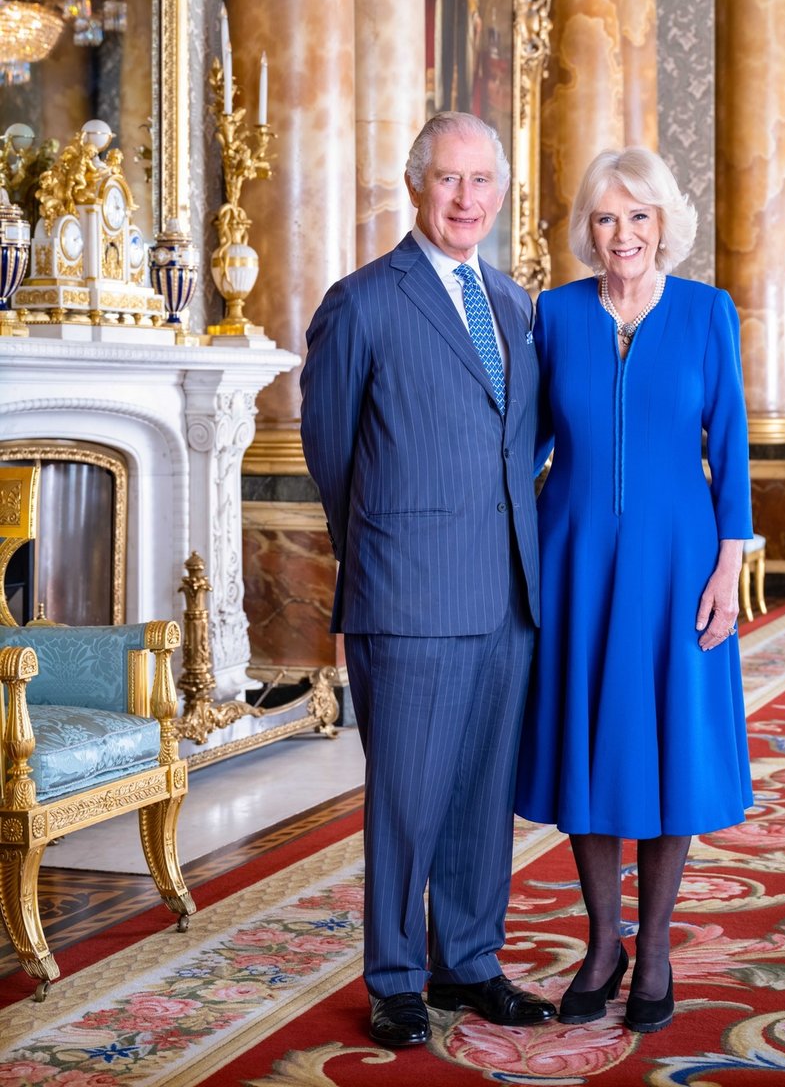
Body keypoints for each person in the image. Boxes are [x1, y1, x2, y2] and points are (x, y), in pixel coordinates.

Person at [300, 112, 555, 1049]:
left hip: (508, 594)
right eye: (448, 180)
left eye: (482, 181)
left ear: (499, 190)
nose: (465, 199)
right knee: (405, 797)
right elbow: (330, 455)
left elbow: (521, 440)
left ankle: (471, 961)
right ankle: (397, 978)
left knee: (485, 791)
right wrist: (384, 549)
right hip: (406, 593)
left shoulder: (515, 302)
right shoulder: (363, 301)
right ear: (416, 186)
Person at [515, 147, 754, 1035]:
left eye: (641, 217)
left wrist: (729, 569)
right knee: (589, 743)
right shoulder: (555, 314)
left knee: (669, 746)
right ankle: (602, 941)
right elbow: (527, 446)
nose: (625, 235)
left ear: (664, 225)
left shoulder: (705, 313)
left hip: (679, 561)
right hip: (573, 555)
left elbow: (727, 446)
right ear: (590, 229)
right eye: (609, 219)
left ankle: (654, 948)